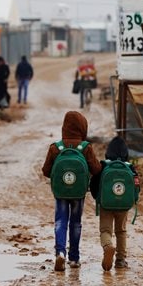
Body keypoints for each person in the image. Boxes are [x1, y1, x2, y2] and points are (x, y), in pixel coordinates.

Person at [42, 111, 101, 271]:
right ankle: (74, 258)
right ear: (82, 127)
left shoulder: (56, 148)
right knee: (75, 223)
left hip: (61, 192)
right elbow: (96, 169)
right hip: (78, 193)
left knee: (61, 221)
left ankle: (60, 252)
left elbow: (46, 171)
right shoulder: (85, 148)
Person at [90, 136, 140, 271]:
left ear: (108, 152)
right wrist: (133, 200)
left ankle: (108, 246)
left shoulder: (103, 166)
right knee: (121, 231)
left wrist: (98, 198)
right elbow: (136, 186)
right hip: (123, 205)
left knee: (106, 230)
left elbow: (93, 185)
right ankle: (120, 260)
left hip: (106, 205)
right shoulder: (130, 168)